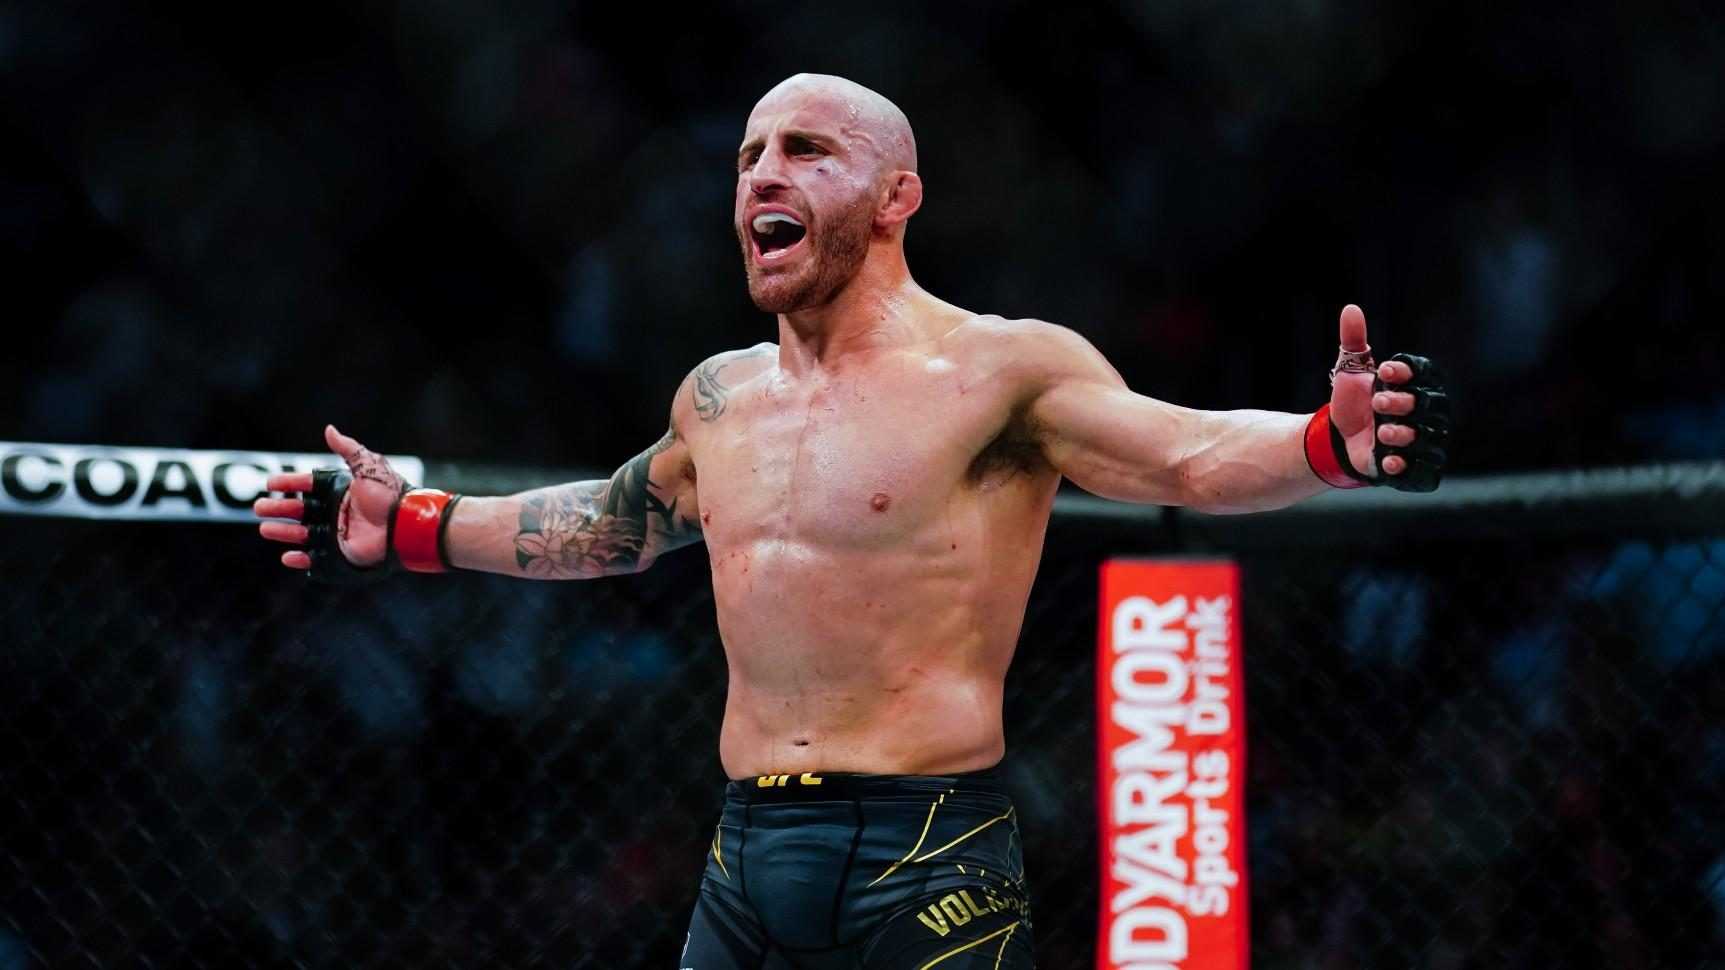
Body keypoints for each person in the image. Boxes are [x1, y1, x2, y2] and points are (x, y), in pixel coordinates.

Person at [255, 74, 1449, 969]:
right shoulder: (719, 397)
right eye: (748, 156)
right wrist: (416, 526)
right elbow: (616, 522)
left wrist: (1324, 446)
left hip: (927, 853)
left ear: (896, 198)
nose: (762, 175)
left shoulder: (1000, 369)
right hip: (744, 856)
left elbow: (1183, 451)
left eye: (806, 150)